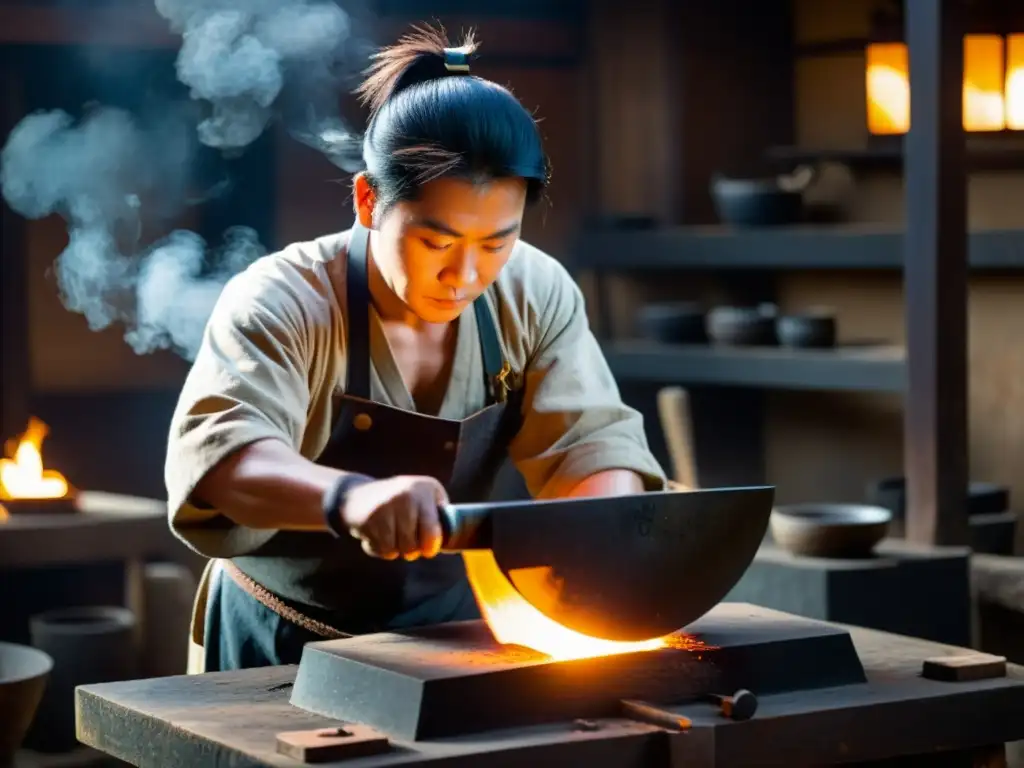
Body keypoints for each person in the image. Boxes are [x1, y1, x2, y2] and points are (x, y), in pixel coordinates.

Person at [165, 24, 667, 673]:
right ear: (369, 200)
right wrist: (350, 499)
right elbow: (223, 459)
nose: (464, 276)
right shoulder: (282, 298)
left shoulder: (534, 290)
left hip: (452, 639)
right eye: (437, 243)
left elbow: (588, 447)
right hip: (282, 639)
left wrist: (603, 532)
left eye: (495, 244)